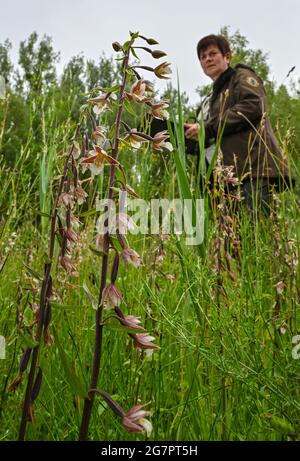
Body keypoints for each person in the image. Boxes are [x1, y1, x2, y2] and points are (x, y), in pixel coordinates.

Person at [184, 34, 292, 213]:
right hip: (222, 181)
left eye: (212, 53)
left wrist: (207, 128)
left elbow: (253, 105)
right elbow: (210, 139)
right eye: (203, 57)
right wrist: (187, 137)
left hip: (252, 172)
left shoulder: (241, 77)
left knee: (251, 233)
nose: (207, 59)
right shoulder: (209, 100)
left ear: (227, 56)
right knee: (228, 239)